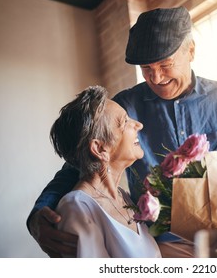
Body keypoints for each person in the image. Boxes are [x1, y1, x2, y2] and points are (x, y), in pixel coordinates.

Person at [27, 7, 217, 258]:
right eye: (146, 69)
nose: (155, 78)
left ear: (190, 51)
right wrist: (40, 213)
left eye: (165, 64)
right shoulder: (125, 107)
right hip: (163, 248)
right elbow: (81, 162)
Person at [45, 85, 161, 257]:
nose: (138, 125)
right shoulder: (77, 208)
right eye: (125, 122)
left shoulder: (124, 197)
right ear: (100, 149)